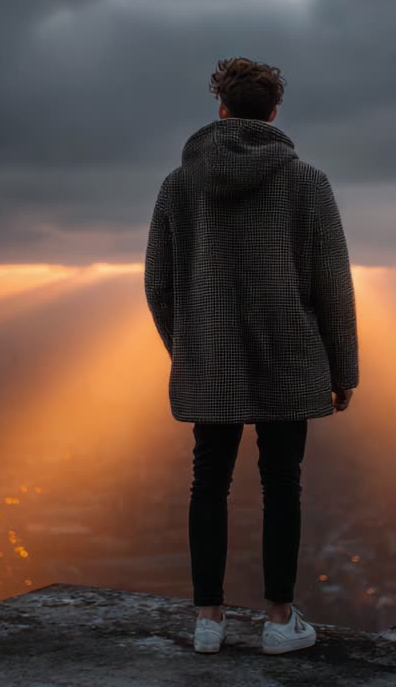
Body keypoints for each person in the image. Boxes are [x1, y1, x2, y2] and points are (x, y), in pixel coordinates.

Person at [144, 56, 360, 655]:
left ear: (220, 110)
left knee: (207, 483)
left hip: (209, 360)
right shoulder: (307, 182)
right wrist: (343, 371)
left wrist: (188, 347)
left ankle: (207, 622)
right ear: (273, 113)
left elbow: (158, 284)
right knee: (282, 486)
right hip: (290, 356)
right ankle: (278, 620)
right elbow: (332, 284)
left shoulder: (177, 185)